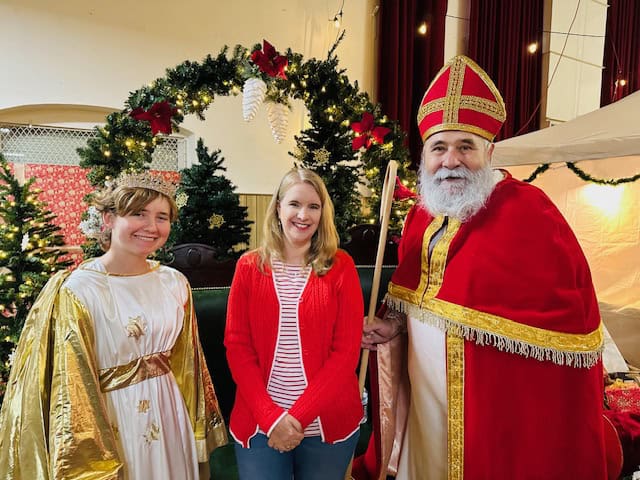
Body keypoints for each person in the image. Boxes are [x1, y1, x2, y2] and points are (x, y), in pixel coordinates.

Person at [358, 55, 607, 479]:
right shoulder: (423, 213)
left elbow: (565, 327)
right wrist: (394, 325)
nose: (450, 160)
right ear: (425, 155)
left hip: (497, 408)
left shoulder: (530, 213)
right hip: (425, 405)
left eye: (465, 147)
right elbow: (421, 297)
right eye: (439, 147)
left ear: (489, 151)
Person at [0, 171, 227, 479]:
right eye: (138, 214)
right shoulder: (79, 289)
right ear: (108, 219)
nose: (151, 226)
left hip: (170, 409)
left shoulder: (174, 282)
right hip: (113, 417)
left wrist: (197, 424)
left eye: (162, 217)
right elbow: (72, 384)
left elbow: (188, 363)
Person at [224, 167, 364, 480]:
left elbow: (345, 353)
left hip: (328, 423)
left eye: (313, 206)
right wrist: (271, 418)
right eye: (294, 204)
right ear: (278, 207)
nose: (303, 215)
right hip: (261, 422)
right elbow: (237, 347)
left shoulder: (341, 266)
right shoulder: (248, 267)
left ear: (323, 213)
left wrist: (297, 418)